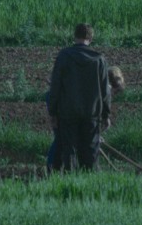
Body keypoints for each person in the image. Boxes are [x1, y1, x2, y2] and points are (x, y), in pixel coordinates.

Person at [46, 23, 111, 171]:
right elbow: (105, 91)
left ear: (75, 36)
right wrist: (106, 114)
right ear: (91, 38)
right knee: (90, 154)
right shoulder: (99, 60)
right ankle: (88, 183)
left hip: (67, 113)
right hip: (92, 114)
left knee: (70, 152)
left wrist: (52, 112)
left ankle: (71, 182)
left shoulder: (64, 56)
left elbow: (55, 86)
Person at [48, 65, 124, 171]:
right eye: (114, 92)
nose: (113, 95)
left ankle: (60, 168)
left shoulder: (96, 84)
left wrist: (95, 135)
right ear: (111, 85)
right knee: (61, 138)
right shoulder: (103, 89)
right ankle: (54, 168)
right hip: (63, 103)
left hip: (65, 102)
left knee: (64, 139)